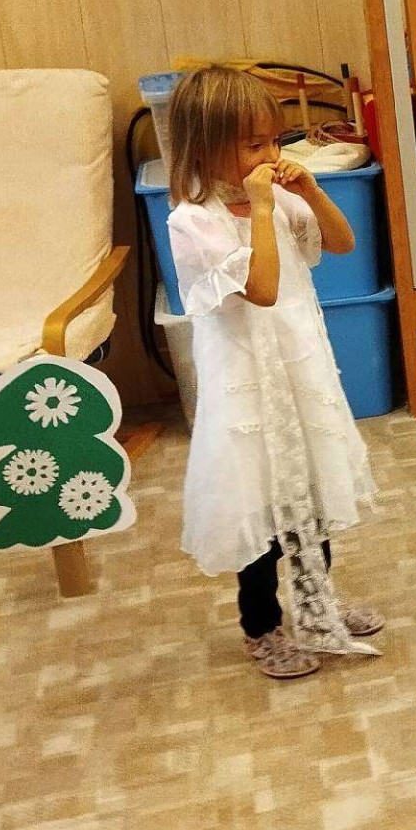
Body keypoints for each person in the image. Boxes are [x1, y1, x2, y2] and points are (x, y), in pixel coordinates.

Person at [164, 66, 379, 679]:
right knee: (257, 505)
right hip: (244, 387)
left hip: (297, 368)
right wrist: (261, 206)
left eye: (273, 141)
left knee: (311, 486)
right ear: (204, 147)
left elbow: (343, 243)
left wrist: (308, 190)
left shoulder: (281, 198)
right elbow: (260, 289)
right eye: (252, 144)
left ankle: (319, 599)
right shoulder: (193, 222)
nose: (269, 154)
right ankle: (261, 627)